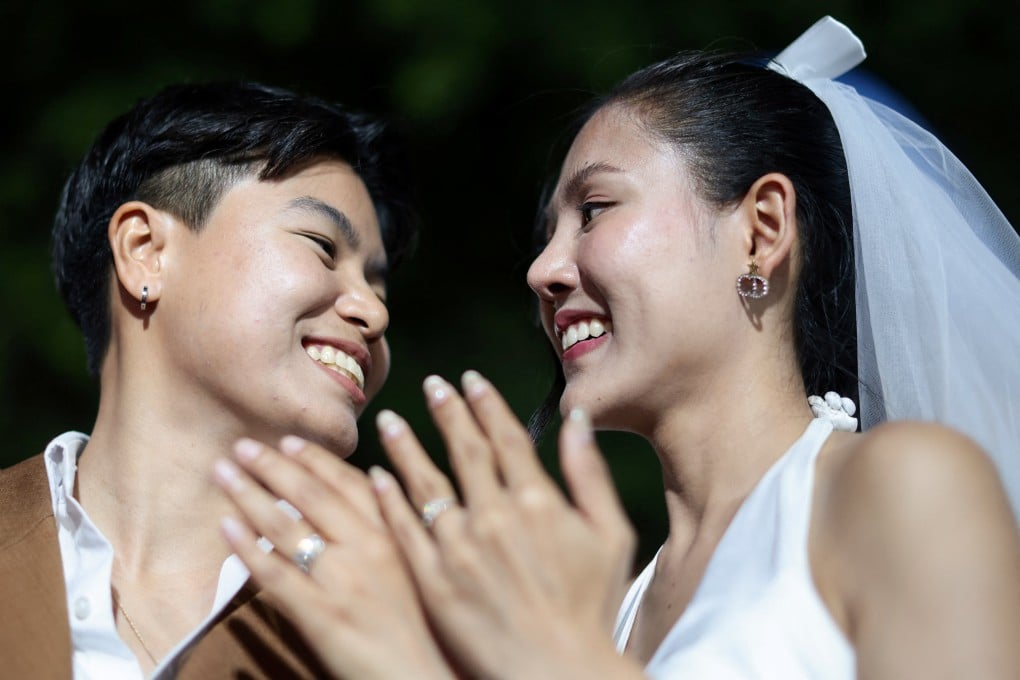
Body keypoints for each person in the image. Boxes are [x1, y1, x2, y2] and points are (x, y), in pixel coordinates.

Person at [214, 17, 1020, 680]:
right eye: (546, 234)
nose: (542, 271)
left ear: (762, 230)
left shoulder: (903, 487)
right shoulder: (614, 607)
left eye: (594, 208)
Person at [0, 79, 446, 679]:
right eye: (321, 245)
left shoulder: (424, 619)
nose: (374, 312)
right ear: (144, 252)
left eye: (378, 283)